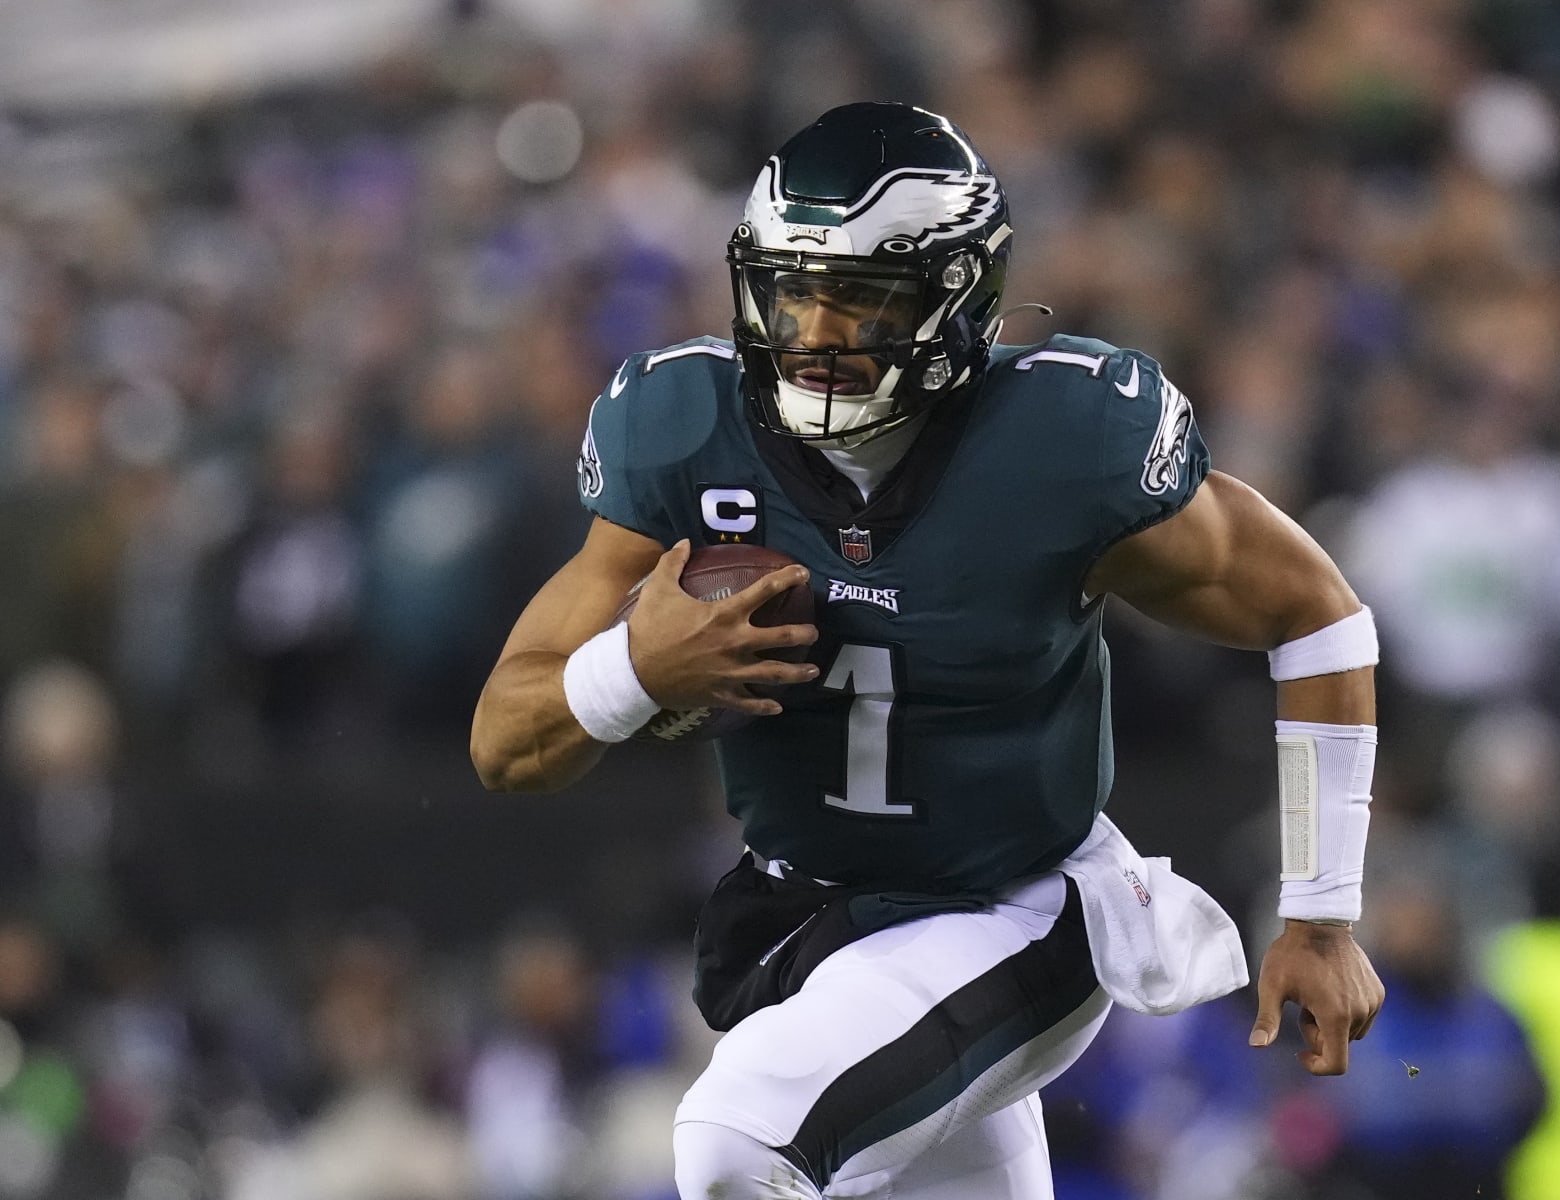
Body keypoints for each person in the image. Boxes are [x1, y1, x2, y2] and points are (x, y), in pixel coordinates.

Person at [471, 102, 1384, 1200]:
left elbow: (1317, 614)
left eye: (860, 293)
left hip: (1016, 912)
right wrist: (635, 673)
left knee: (740, 1139)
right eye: (793, 287)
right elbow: (506, 741)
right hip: (813, 918)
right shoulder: (680, 431)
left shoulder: (1063, 445)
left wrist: (1323, 912)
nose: (814, 329)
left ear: (961, 295)